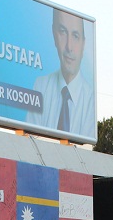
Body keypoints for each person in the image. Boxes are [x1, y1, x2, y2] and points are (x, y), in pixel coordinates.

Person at [25, 9, 96, 140]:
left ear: (83, 43)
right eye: (63, 32)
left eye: (75, 36)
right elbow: (30, 141)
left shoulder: (90, 100)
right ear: (54, 35)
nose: (69, 46)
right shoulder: (40, 86)